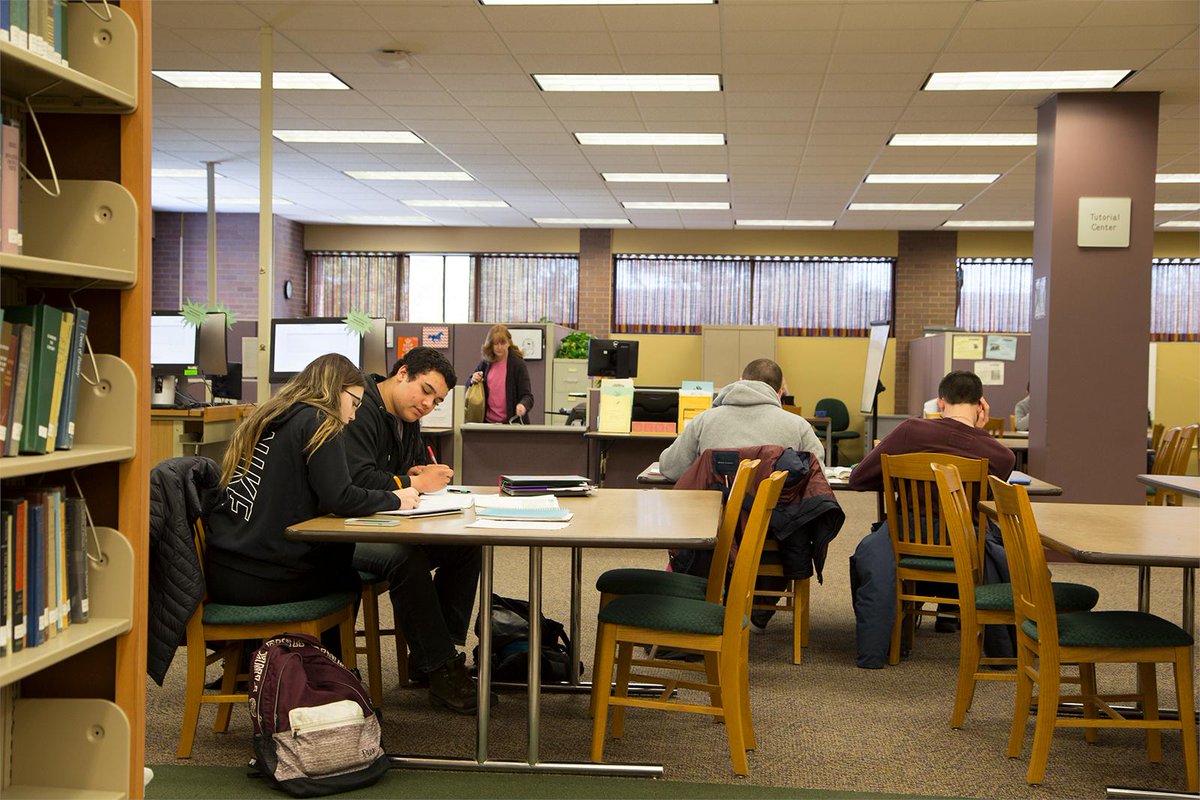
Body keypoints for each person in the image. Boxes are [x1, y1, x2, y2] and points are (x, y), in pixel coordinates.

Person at [203, 353, 418, 658]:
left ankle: (263, 662)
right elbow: (340, 497)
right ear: (334, 390)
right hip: (260, 580)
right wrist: (396, 499)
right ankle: (326, 676)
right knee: (345, 575)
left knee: (332, 559)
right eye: (354, 403)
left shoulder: (270, 415)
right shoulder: (321, 420)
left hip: (223, 572)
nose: (354, 415)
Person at [343, 348, 487, 714]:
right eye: (425, 391)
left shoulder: (406, 418)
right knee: (405, 559)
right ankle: (439, 668)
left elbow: (408, 471)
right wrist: (415, 480)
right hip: (342, 530)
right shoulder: (360, 407)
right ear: (403, 373)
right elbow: (357, 479)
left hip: (385, 521)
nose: (427, 404)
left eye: (436, 400)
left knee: (467, 546)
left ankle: (440, 653)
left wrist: (419, 475)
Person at [847, 370, 1016, 668]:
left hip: (906, 539)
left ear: (940, 403)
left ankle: (887, 641)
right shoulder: (1000, 455)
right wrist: (981, 432)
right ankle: (954, 617)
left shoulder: (911, 431)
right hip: (966, 544)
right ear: (981, 406)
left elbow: (859, 478)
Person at [658, 358, 825, 481]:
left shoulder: (703, 420)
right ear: (780, 393)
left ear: (740, 382)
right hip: (777, 522)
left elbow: (670, 468)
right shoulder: (799, 426)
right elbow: (819, 478)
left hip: (713, 520)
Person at [469, 324, 534, 424]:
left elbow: (528, 396)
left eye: (502, 343)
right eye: (495, 343)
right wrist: (472, 379)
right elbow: (469, 385)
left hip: (512, 424)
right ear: (490, 345)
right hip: (487, 423)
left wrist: (522, 405)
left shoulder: (517, 364)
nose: (499, 347)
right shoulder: (486, 363)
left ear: (508, 343)